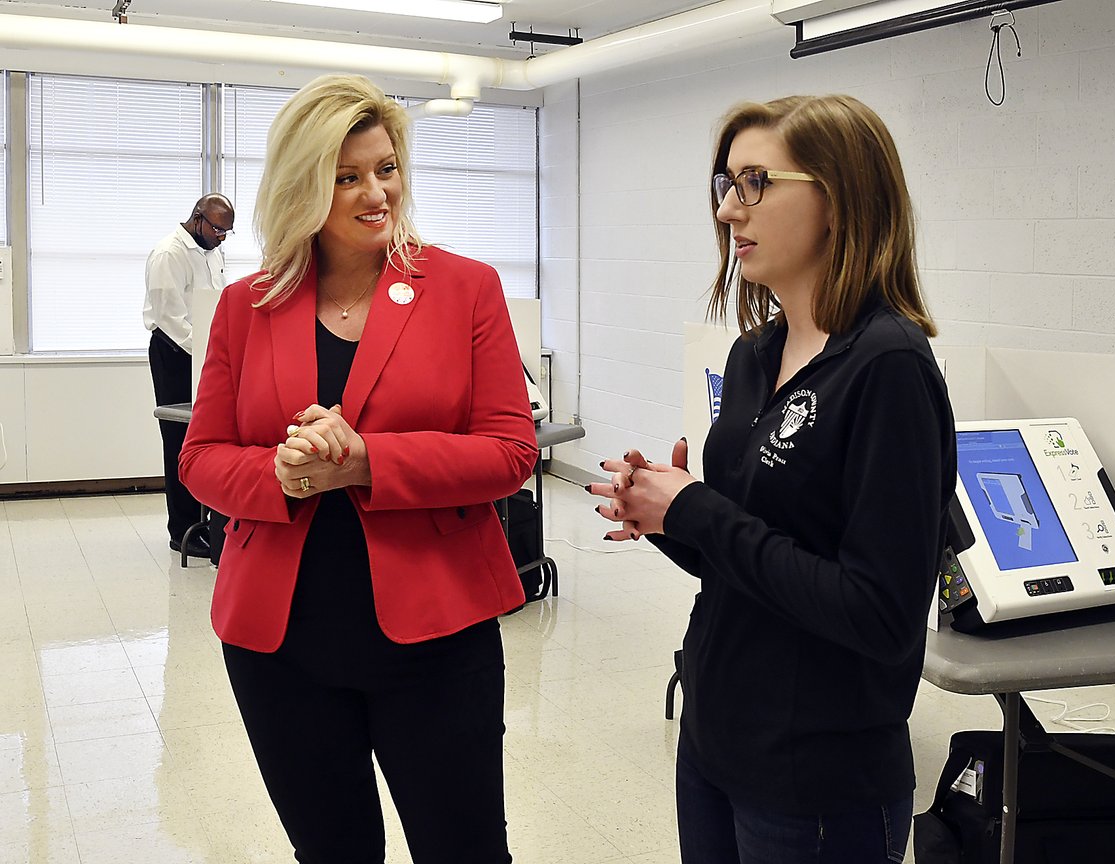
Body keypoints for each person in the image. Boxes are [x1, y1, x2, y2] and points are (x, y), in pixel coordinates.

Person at [178, 74, 537, 864]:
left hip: (436, 634)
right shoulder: (248, 305)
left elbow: (511, 451)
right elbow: (201, 459)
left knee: (465, 849)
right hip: (281, 645)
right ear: (303, 186)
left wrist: (369, 462)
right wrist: (283, 475)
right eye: (346, 177)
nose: (376, 192)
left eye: (386, 167)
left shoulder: (467, 288)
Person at [589, 95, 956, 863]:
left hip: (817, 779)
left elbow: (881, 616)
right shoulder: (755, 355)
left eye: (754, 182)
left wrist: (700, 513)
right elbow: (752, 554)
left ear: (840, 197)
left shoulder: (887, 368)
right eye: (724, 184)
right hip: (717, 738)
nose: (727, 210)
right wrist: (670, 516)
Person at [144, 192, 235, 559]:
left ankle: (211, 521)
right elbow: (171, 319)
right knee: (179, 439)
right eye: (217, 229)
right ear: (197, 218)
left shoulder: (212, 251)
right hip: (176, 353)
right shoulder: (170, 253)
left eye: (227, 232)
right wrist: (206, 353)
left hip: (206, 354)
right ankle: (180, 529)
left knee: (210, 436)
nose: (221, 237)